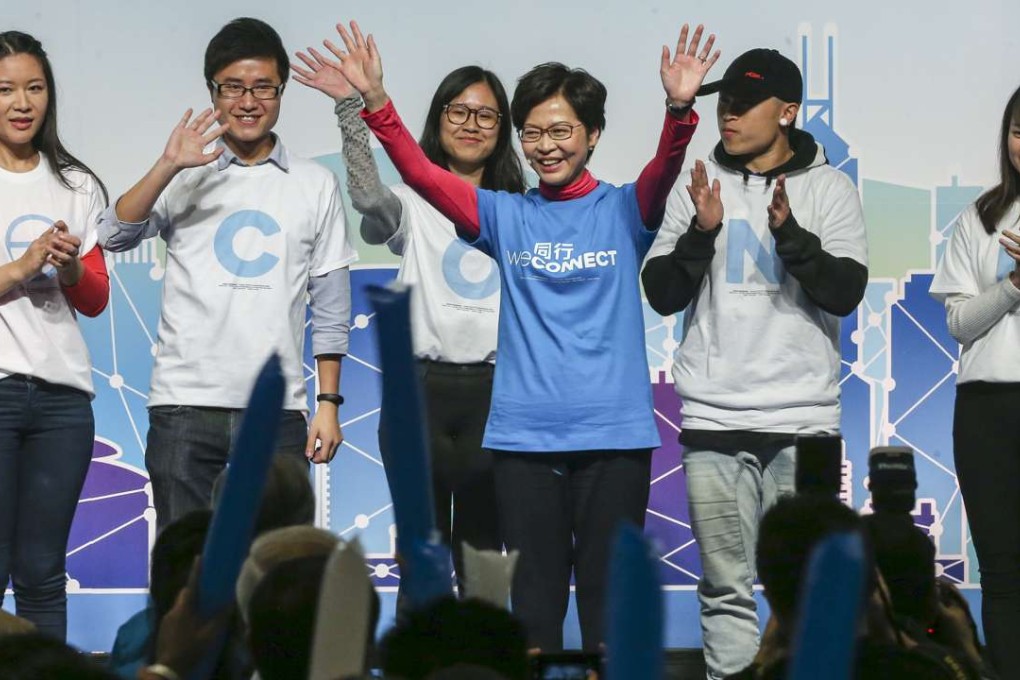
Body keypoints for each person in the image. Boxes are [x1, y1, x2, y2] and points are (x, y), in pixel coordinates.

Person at [331, 19, 718, 650]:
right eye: (532, 132)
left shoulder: (624, 211)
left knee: (607, 600)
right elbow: (426, 179)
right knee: (532, 602)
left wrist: (680, 109)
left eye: (561, 130)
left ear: (592, 135)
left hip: (613, 437)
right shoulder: (505, 215)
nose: (545, 145)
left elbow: (665, 165)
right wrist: (377, 103)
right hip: (521, 442)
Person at [641, 48, 868, 677]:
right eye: (724, 102)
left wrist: (792, 234)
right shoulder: (699, 182)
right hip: (715, 418)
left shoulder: (830, 188)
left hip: (806, 420)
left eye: (746, 103)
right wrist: (701, 233)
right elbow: (661, 293)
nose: (729, 114)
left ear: (788, 112)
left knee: (812, 591)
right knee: (723, 586)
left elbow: (844, 292)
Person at [97, 17, 358, 532]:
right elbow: (113, 235)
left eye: (263, 87)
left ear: (281, 92)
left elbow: (331, 305)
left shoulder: (315, 183)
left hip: (277, 411)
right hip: (184, 406)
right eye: (233, 87)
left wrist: (328, 403)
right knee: (185, 576)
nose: (248, 101)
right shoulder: (184, 175)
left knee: (276, 577)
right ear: (212, 92)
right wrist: (168, 164)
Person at [292, 42, 526, 587]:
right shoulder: (413, 200)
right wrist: (352, 109)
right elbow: (369, 198)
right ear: (439, 118)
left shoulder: (520, 207)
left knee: (485, 560)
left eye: (486, 114)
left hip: (497, 396)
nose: (471, 124)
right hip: (418, 396)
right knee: (421, 560)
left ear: (502, 127)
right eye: (458, 111)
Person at [0, 30, 111, 640]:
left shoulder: (76, 183)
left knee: (42, 570)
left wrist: (67, 264)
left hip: (63, 402)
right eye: (7, 89)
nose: (23, 102)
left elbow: (94, 299)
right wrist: (21, 266)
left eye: (35, 88)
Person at [929, 83, 1020, 676]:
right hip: (988, 406)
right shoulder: (981, 219)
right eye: (1017, 131)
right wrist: (1013, 287)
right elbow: (960, 323)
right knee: (1004, 567)